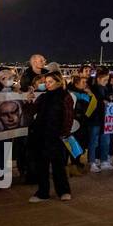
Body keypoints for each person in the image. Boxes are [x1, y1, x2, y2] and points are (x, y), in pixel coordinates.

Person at [27, 70, 74, 202]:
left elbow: (68, 116)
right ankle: (43, 192)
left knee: (58, 165)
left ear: (58, 82)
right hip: (41, 135)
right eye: (46, 82)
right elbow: (31, 112)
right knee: (41, 165)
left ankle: (63, 191)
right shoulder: (43, 97)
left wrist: (64, 133)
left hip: (56, 135)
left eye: (50, 82)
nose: (47, 84)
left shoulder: (65, 97)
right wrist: (29, 101)